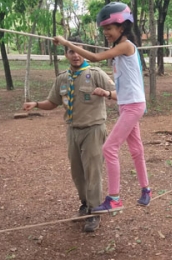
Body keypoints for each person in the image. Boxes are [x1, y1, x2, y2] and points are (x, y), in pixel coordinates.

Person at [53, 1, 151, 213]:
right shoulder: (118, 49)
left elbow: (95, 57)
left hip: (133, 105)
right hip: (126, 104)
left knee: (109, 148)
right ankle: (146, 189)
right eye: (103, 29)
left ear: (121, 27)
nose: (105, 32)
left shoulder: (125, 46)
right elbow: (119, 79)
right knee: (136, 149)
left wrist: (66, 43)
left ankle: (114, 198)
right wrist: (107, 94)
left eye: (109, 28)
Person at [23, 36, 115, 233]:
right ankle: (85, 204)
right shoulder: (62, 78)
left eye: (78, 50)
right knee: (77, 173)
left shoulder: (96, 73)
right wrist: (36, 104)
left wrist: (106, 94)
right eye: (71, 51)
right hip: (72, 131)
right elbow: (53, 102)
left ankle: (95, 211)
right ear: (65, 54)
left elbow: (119, 93)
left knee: (93, 172)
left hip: (93, 129)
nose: (75, 55)